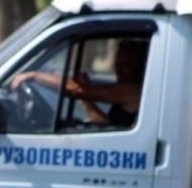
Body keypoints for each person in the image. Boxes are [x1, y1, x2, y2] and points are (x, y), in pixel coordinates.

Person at [10, 39, 147, 128]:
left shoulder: (135, 91)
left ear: (140, 66)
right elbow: (105, 124)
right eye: (118, 63)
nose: (119, 68)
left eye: (126, 64)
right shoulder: (126, 93)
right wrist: (86, 101)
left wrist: (34, 75)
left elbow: (74, 89)